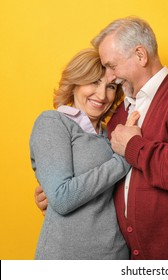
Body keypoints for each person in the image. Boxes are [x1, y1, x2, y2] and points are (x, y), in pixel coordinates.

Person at [36, 16, 168, 260]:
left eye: (112, 66)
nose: (111, 77)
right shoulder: (119, 114)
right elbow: (109, 182)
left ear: (140, 55)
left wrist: (134, 147)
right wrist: (55, 191)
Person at [30, 48, 138, 259]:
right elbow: (62, 198)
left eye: (110, 87)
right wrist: (124, 157)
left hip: (114, 256)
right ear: (76, 82)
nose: (102, 94)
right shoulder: (53, 123)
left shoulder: (113, 133)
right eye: (94, 82)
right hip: (65, 257)